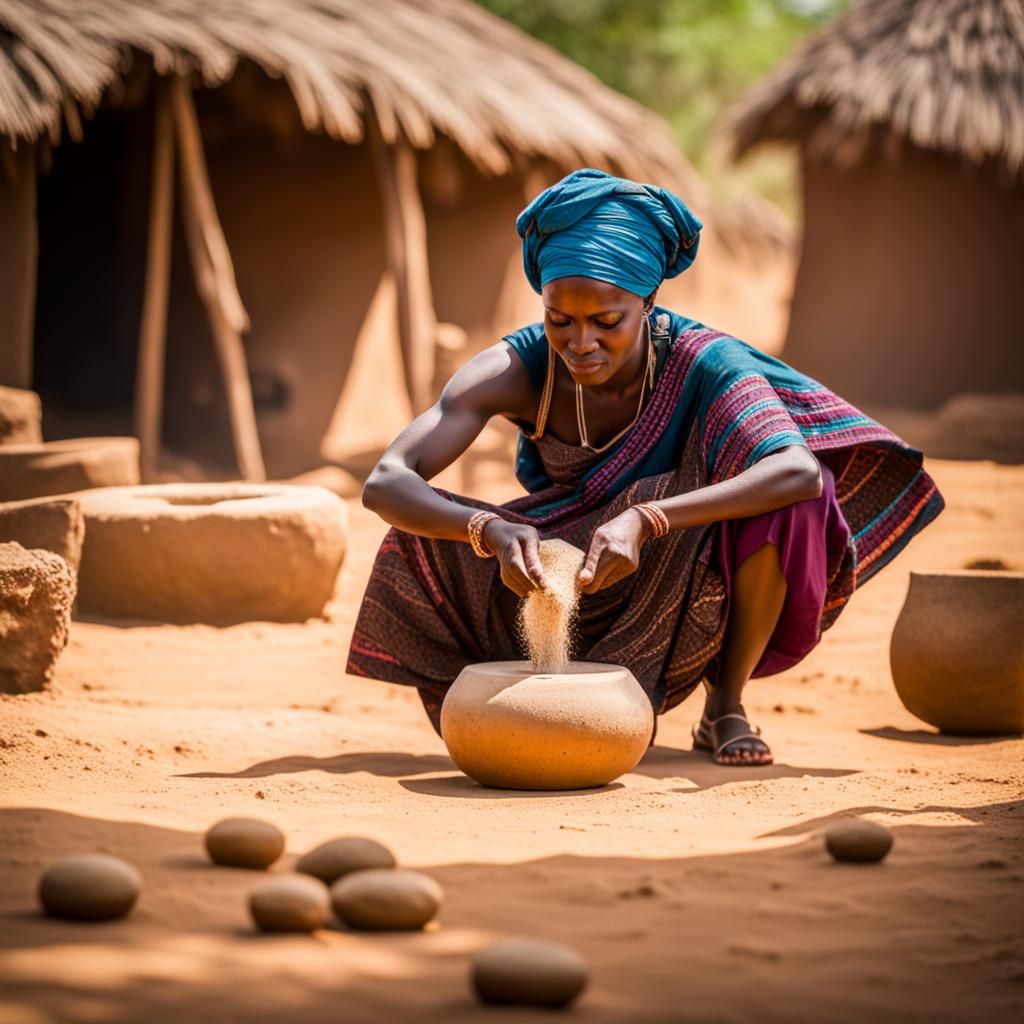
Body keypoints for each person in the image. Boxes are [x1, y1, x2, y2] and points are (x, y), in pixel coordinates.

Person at [347, 168, 944, 766]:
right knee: (418, 539)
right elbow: (387, 482)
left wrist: (647, 519)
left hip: (686, 549)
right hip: (575, 558)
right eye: (561, 320)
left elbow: (796, 471)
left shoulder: (706, 362)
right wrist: (492, 532)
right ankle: (508, 702)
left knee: (797, 504)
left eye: (608, 322)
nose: (581, 342)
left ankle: (725, 706)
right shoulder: (518, 366)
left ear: (649, 303)